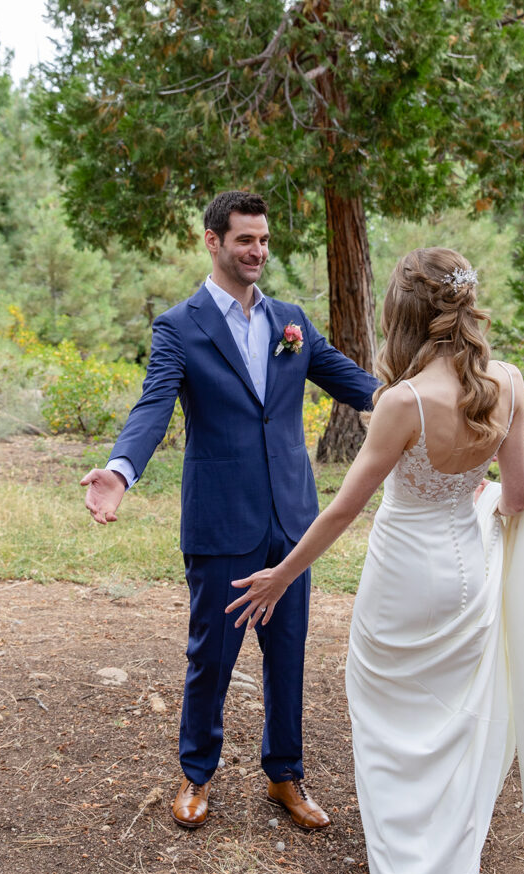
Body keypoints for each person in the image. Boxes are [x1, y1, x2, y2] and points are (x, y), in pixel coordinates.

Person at [226, 247, 524, 874]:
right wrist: (473, 500)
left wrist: (281, 574)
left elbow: (340, 511)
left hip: (400, 580)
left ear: (402, 317)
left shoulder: (403, 402)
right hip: (465, 580)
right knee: (457, 733)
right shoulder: (507, 383)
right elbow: (514, 498)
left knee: (390, 734)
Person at [82, 190, 379, 831]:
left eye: (265, 240)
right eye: (245, 240)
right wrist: (120, 470)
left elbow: (355, 382)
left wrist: (418, 401)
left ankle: (284, 776)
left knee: (289, 651)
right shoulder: (179, 326)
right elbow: (153, 406)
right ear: (213, 241)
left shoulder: (291, 322)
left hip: (293, 518)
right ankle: (195, 774)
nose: (258, 251)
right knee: (213, 653)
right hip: (222, 520)